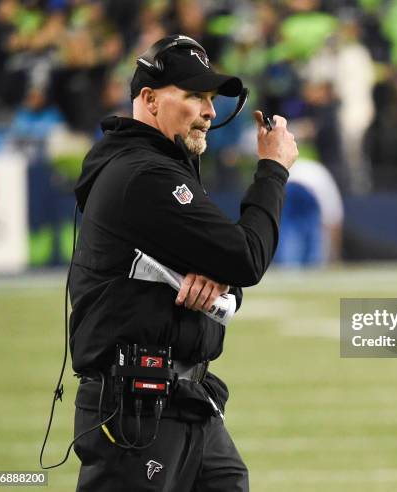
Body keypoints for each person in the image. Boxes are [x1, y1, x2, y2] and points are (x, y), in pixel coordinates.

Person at [69, 34, 298, 491]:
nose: (209, 112)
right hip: (137, 409)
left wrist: (223, 284)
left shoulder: (153, 166)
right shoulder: (146, 173)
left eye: (211, 98)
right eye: (194, 95)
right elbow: (246, 257)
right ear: (150, 99)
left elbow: (230, 272)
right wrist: (273, 169)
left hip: (183, 400)